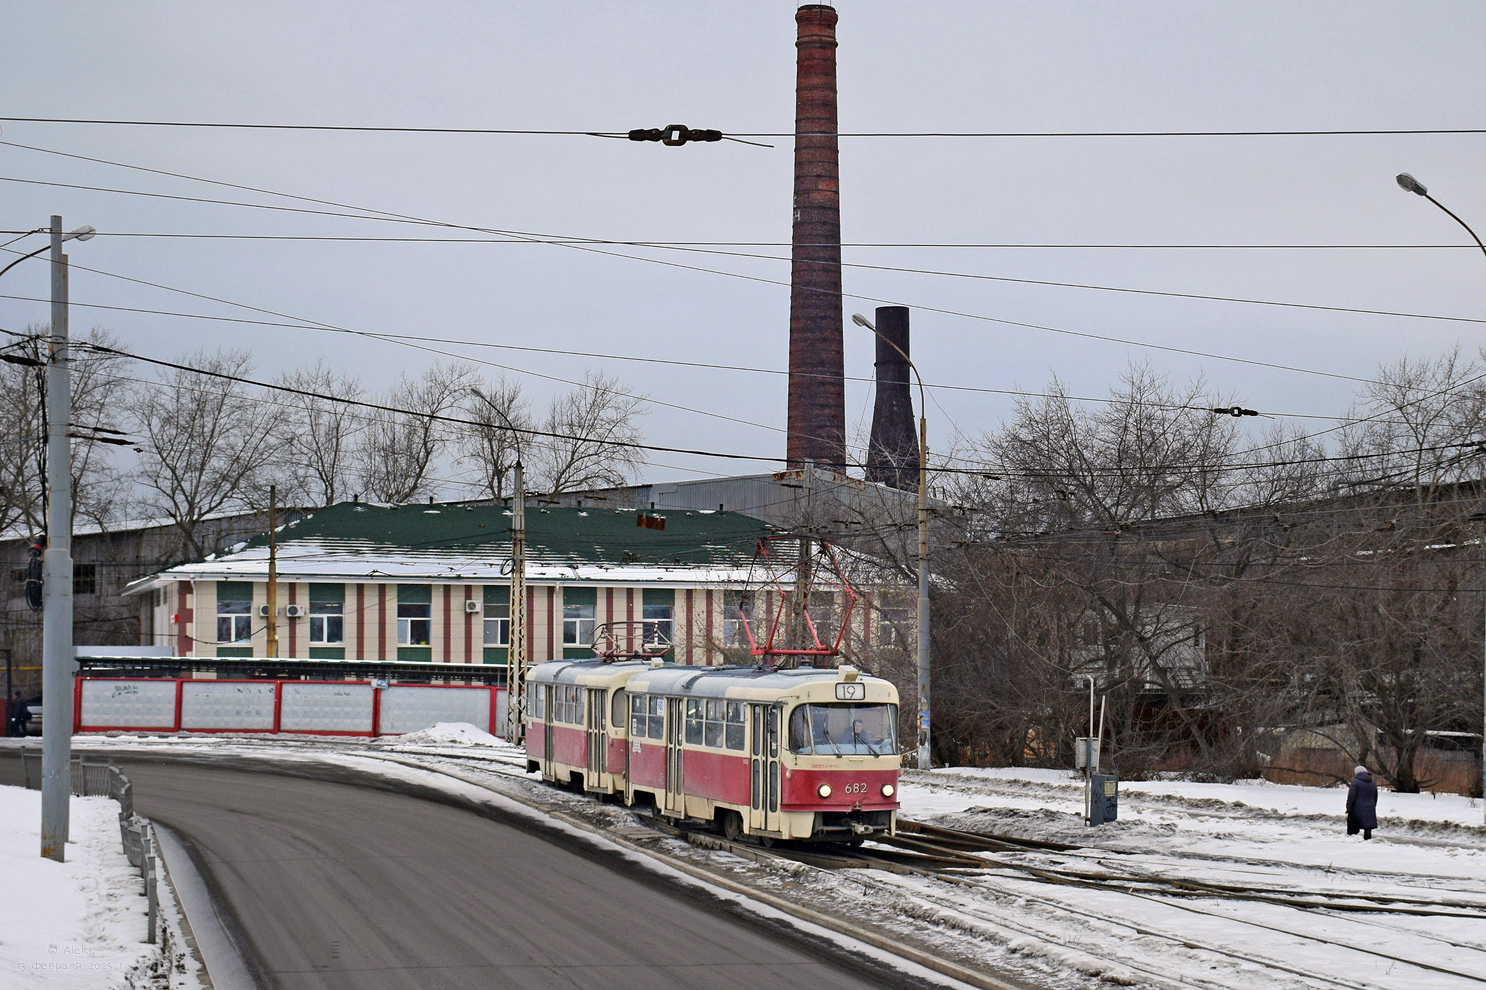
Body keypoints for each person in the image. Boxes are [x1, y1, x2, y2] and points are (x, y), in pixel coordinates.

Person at [1346, 765, 1378, 840]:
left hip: (1358, 807)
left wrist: (1349, 807)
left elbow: (1351, 796)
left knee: (1354, 825)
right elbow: (1375, 796)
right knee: (1368, 826)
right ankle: (1368, 838)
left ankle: (1354, 840)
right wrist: (1373, 805)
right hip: (1370, 806)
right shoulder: (1372, 783)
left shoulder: (1355, 782)